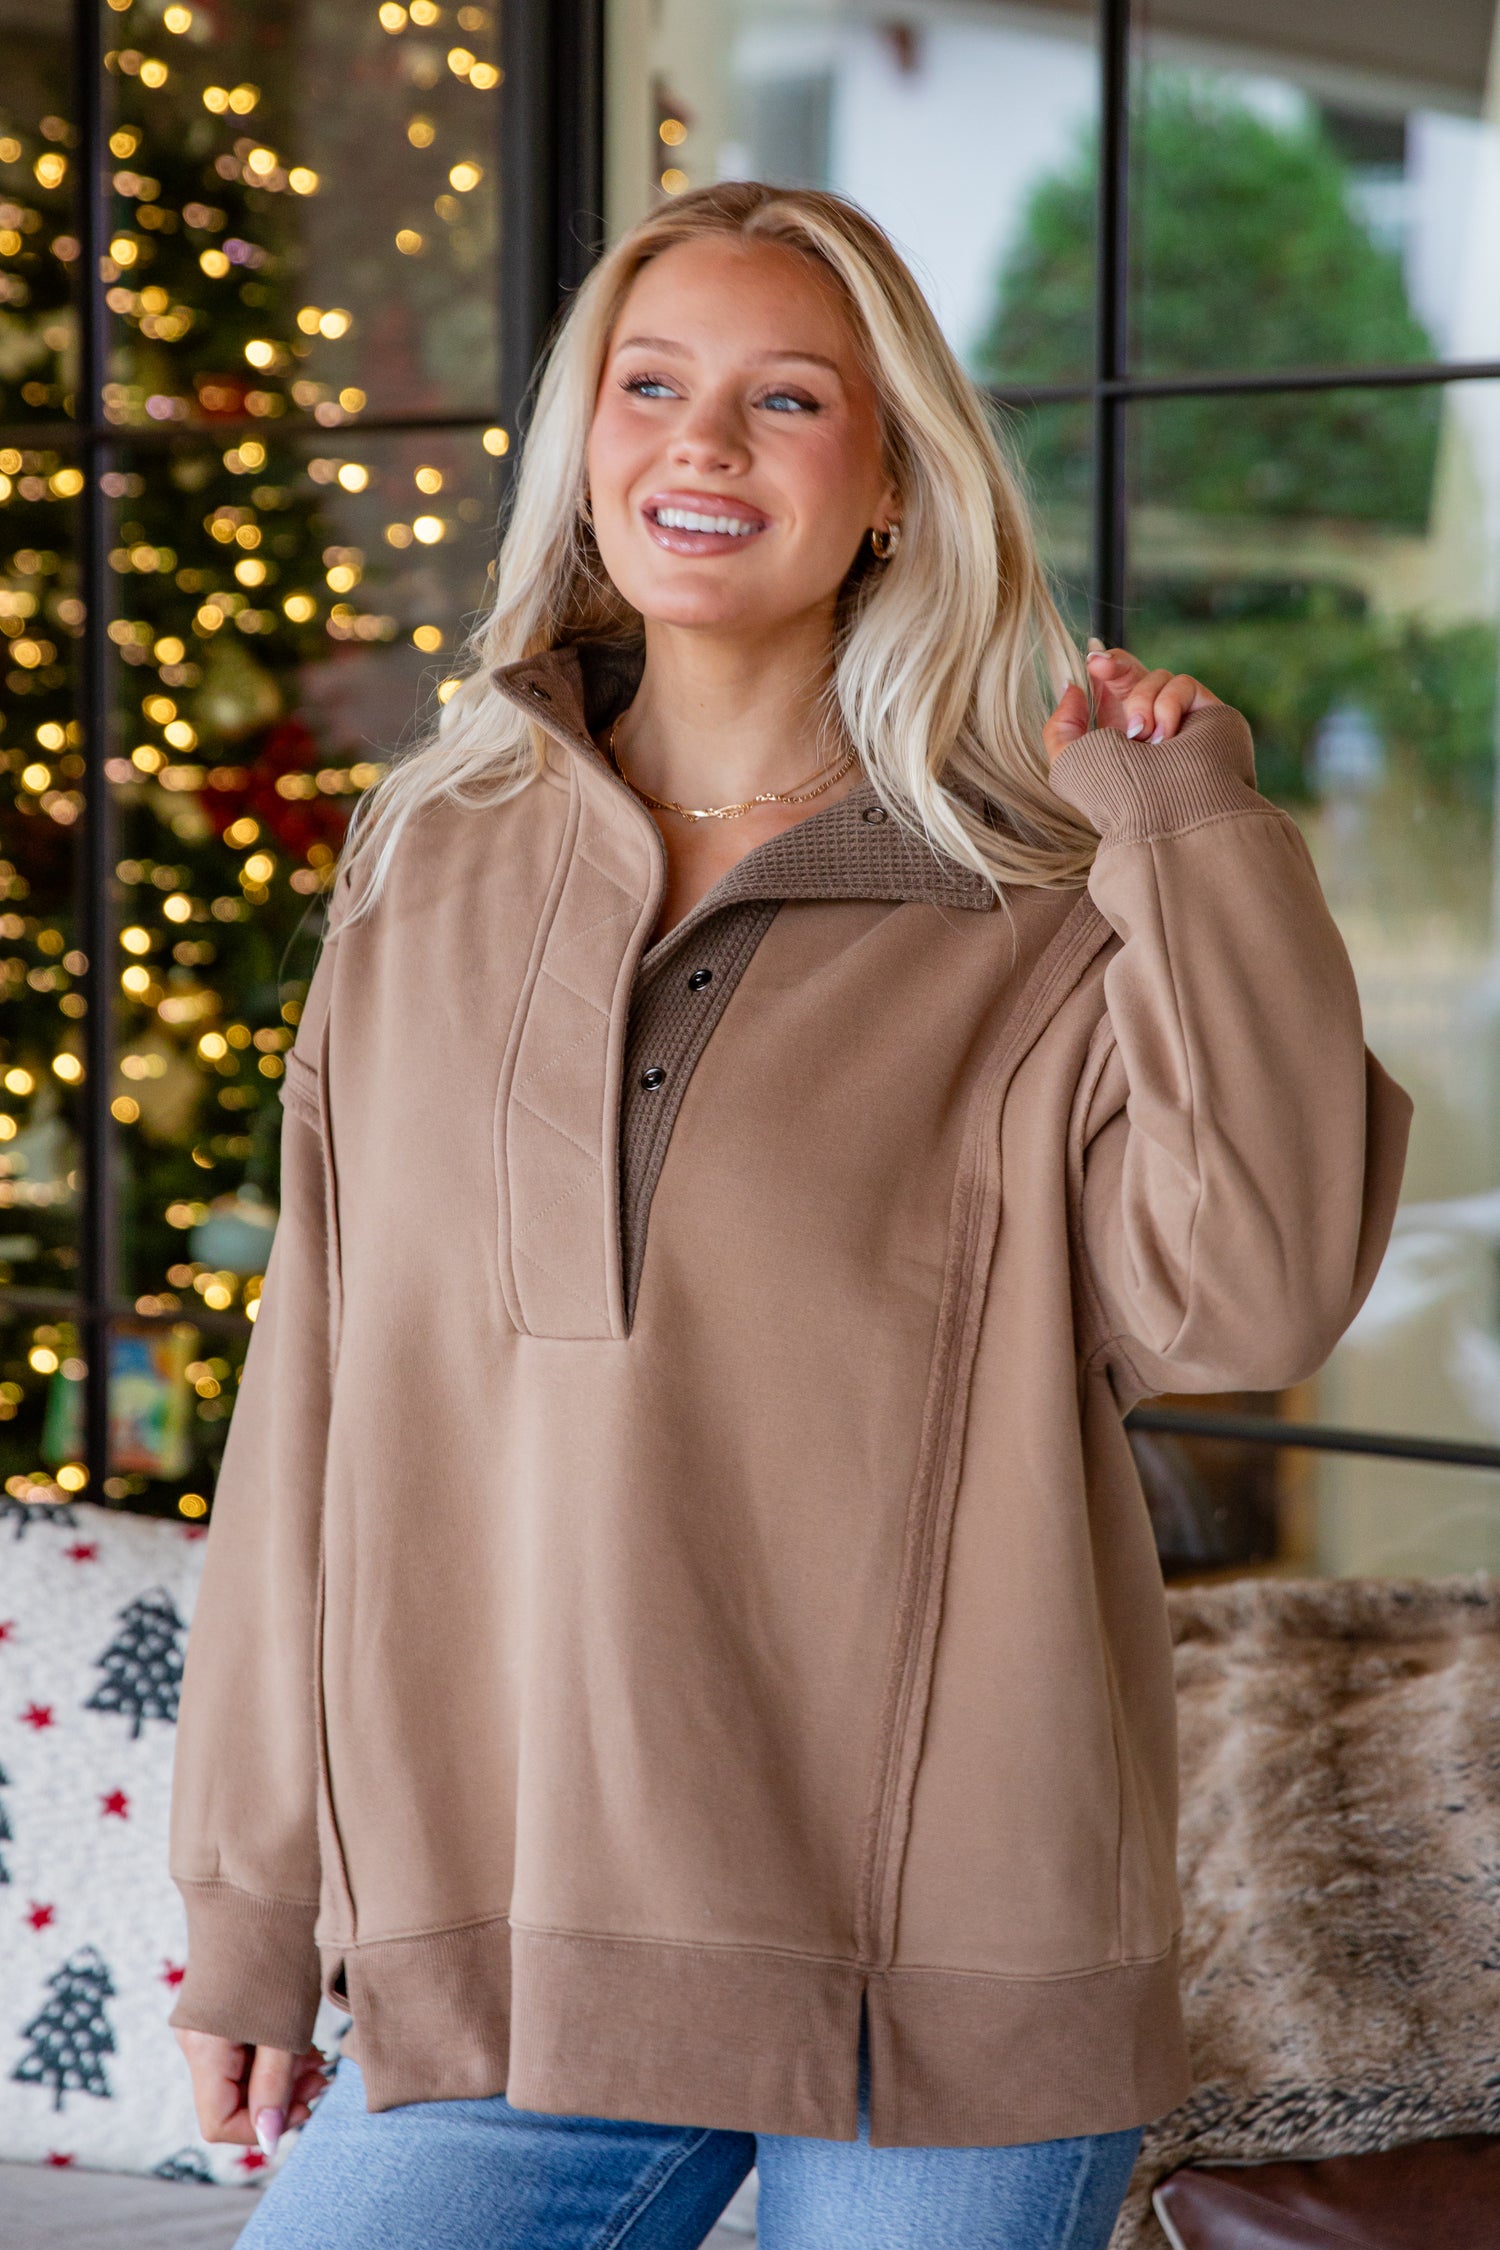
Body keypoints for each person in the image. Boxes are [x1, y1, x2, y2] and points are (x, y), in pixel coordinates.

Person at [167, 182, 1411, 2249]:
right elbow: (307, 1408)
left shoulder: (1043, 905)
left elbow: (1253, 1296)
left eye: (787, 400)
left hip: (946, 1968)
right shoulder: (427, 867)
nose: (703, 446)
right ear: (585, 444)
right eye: (650, 385)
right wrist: (251, 1906)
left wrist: (1194, 836)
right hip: (520, 1948)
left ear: (897, 483)